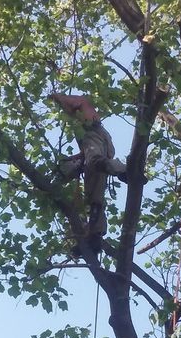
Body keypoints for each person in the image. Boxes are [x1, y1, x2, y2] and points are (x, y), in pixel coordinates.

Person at [50, 93, 129, 253]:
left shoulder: (76, 103)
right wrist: (71, 161)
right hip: (97, 145)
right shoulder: (83, 129)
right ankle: (94, 236)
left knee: (94, 162)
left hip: (94, 135)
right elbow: (85, 152)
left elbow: (79, 102)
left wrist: (58, 99)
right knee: (94, 195)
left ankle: (125, 169)